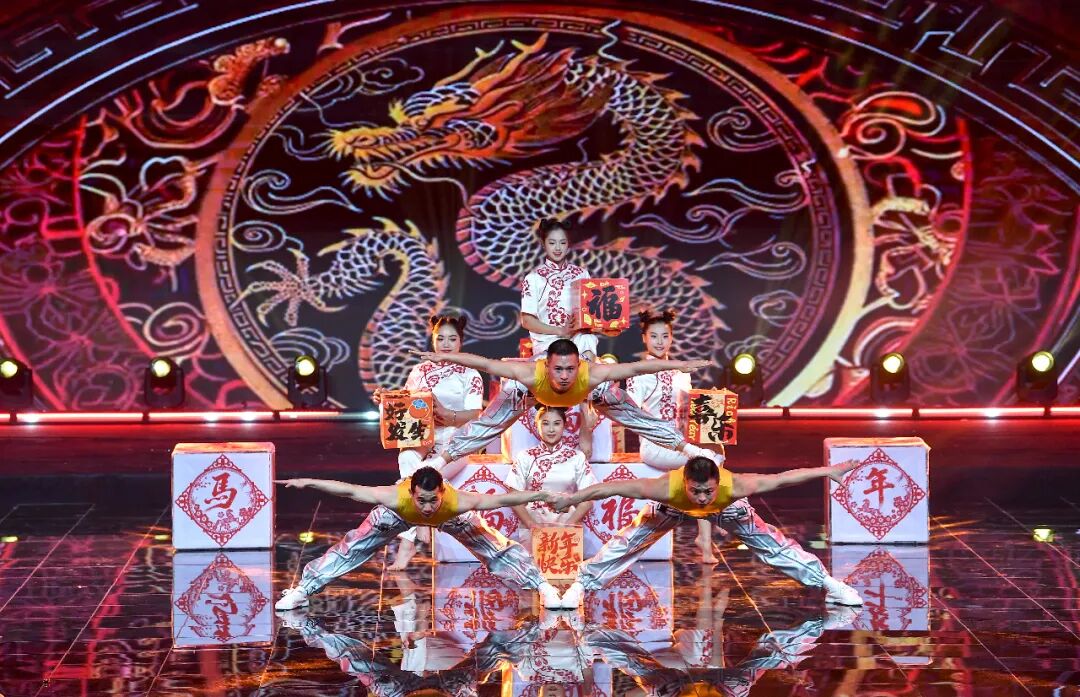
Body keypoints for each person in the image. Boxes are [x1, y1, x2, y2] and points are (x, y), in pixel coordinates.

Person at [555, 456, 864, 609]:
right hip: (674, 508)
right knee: (629, 541)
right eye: (696, 491)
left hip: (726, 509)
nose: (702, 497)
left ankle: (830, 585)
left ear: (717, 484)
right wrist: (571, 499)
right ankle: (581, 585)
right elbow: (608, 488)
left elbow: (783, 478)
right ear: (685, 483)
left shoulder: (736, 486)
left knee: (773, 546)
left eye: (708, 491)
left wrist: (828, 471)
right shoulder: (664, 488)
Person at [411, 338, 718, 478]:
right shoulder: (530, 373)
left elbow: (637, 368)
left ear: (578, 366)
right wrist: (443, 357)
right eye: (558, 369)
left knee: (638, 417)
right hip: (529, 394)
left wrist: (680, 364)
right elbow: (485, 363)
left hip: (591, 393)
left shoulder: (591, 374)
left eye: (570, 369)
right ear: (547, 366)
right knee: (487, 426)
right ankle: (437, 464)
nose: (564, 376)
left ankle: (692, 451)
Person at [273, 466, 564, 610]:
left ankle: (543, 586)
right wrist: (307, 482)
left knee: (498, 549)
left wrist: (538, 495)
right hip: (396, 517)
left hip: (452, 519)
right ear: (412, 492)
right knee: (351, 548)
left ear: (442, 493)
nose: (426, 507)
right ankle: (303, 590)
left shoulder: (458, 502)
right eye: (421, 500)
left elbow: (502, 499)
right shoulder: (394, 497)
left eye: (433, 500)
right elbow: (349, 490)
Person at [373, 314, 483, 570]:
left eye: (452, 339)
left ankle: (409, 539)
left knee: (426, 470)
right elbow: (406, 405)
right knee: (406, 456)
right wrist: (386, 399)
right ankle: (419, 527)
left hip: (457, 439)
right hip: (425, 435)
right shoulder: (419, 370)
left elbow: (475, 415)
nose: (446, 344)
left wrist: (447, 415)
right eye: (440, 338)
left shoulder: (470, 373)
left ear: (461, 341)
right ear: (433, 340)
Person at [626, 308, 718, 560]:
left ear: (672, 338)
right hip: (655, 446)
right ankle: (706, 534)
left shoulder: (681, 372)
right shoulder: (637, 373)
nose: (659, 342)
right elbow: (630, 415)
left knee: (716, 453)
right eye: (654, 336)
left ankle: (706, 531)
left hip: (681, 442)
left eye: (665, 336)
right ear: (644, 338)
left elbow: (687, 411)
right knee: (706, 463)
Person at [505, 405, 599, 542]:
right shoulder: (525, 457)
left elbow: (588, 497)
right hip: (533, 524)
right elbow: (513, 495)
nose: (551, 429)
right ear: (537, 425)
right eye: (545, 423)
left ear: (564, 426)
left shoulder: (576, 457)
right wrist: (532, 525)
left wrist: (569, 525)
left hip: (568, 526)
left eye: (556, 423)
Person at [520, 218, 598, 360]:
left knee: (587, 339)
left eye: (562, 243)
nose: (557, 248)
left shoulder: (582, 274)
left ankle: (586, 372)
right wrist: (560, 331)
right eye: (552, 243)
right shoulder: (533, 278)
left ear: (568, 245)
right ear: (543, 244)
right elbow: (527, 320)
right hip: (548, 341)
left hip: (577, 338)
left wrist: (607, 327)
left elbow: (590, 314)